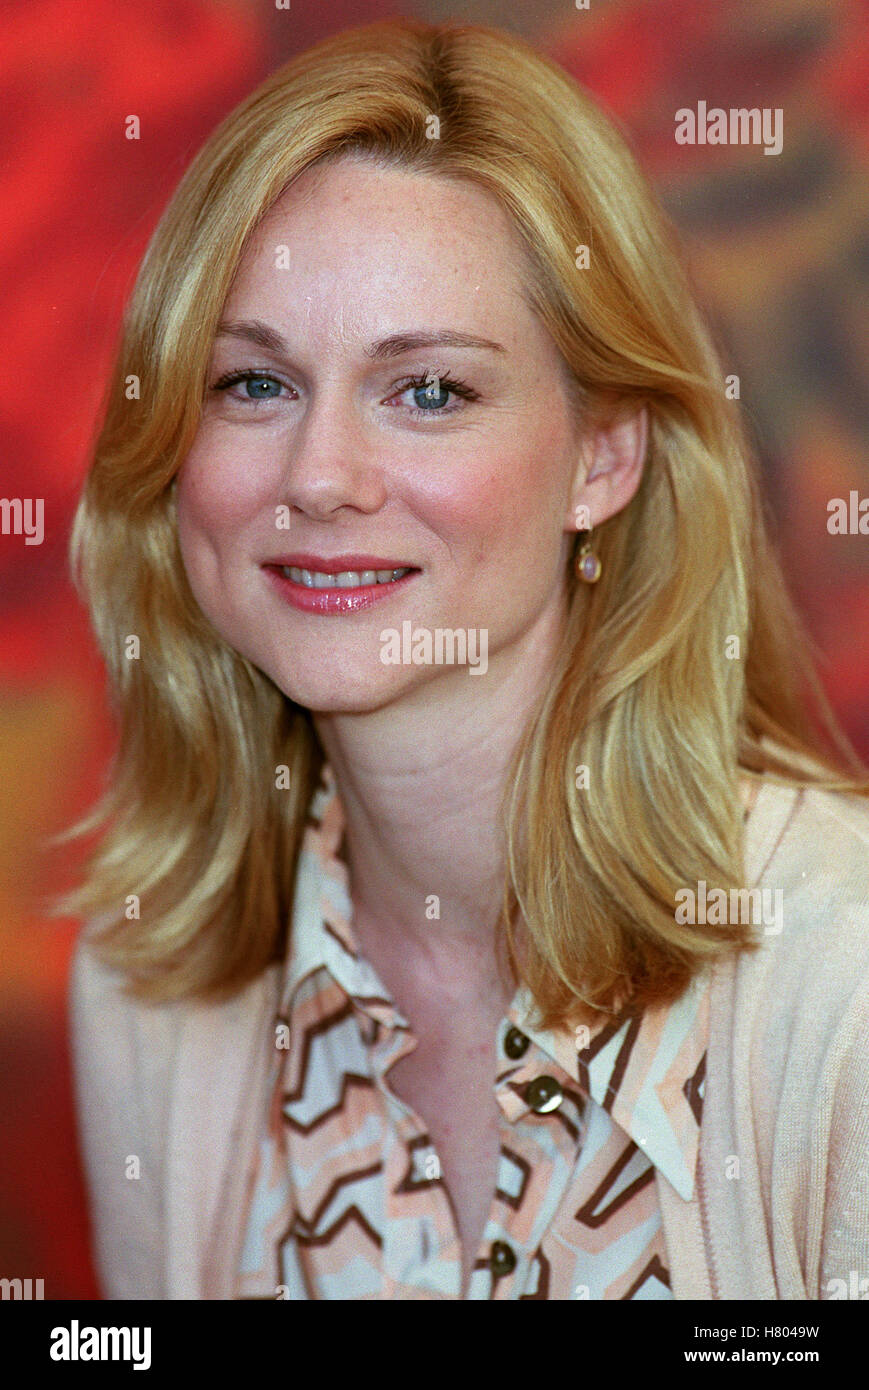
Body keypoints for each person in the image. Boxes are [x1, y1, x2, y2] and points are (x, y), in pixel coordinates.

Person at [58, 18, 869, 1300]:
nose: (319, 477)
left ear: (601, 459)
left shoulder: (840, 981)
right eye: (253, 385)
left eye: (427, 390)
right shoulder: (152, 983)